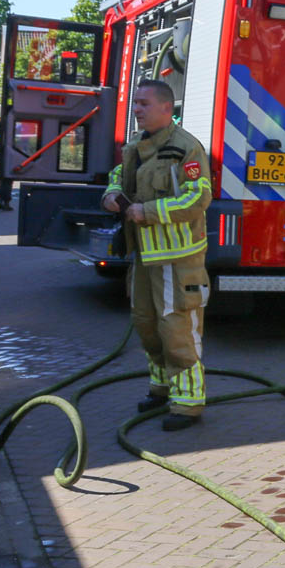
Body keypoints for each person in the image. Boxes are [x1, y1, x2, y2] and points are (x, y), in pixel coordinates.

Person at [102, 79, 212, 430]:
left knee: (177, 329)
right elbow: (119, 175)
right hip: (144, 257)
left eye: (144, 103)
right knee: (148, 326)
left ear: (167, 108)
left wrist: (145, 212)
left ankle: (188, 404)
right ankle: (161, 389)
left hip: (177, 259)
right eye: (136, 103)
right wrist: (112, 193)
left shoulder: (186, 148)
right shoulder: (135, 145)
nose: (137, 109)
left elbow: (198, 198)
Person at [0, 114, 13, 211]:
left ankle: (0, 200)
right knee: (8, 181)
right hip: (6, 157)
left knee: (2, 181)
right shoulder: (7, 134)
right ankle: (6, 202)